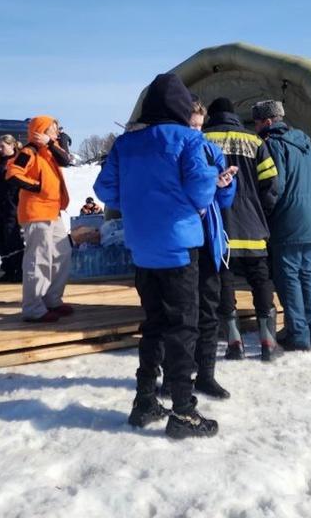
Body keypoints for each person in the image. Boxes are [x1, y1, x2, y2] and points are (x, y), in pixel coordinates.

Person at [93, 73, 219, 438]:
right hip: (178, 250)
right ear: (181, 107)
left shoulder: (125, 144)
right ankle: (183, 412)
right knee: (183, 329)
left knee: (153, 325)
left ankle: (145, 400)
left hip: (142, 248)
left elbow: (106, 191)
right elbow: (200, 191)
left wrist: (139, 203)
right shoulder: (189, 140)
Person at [203, 96, 280, 362]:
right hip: (253, 224)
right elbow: (270, 183)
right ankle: (268, 341)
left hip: (218, 226)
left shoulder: (203, 140)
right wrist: (261, 211)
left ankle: (234, 341)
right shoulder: (255, 141)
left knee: (224, 279)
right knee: (260, 279)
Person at [254, 99, 311, 352]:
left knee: (288, 278)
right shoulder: (306, 143)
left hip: (287, 221)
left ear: (267, 121)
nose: (255, 127)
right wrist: (307, 197)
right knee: (306, 276)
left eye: (256, 122)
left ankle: (298, 335)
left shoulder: (273, 145)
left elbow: (277, 186)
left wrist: (264, 214)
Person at [188, 100, 237, 399]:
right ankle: (176, 375)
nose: (196, 131)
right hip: (183, 239)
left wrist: (226, 183)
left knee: (208, 309)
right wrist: (210, 184)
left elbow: (225, 199)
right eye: (191, 125)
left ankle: (206, 374)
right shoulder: (177, 151)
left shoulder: (210, 149)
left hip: (210, 240)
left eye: (199, 126)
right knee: (182, 311)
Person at [6, 116, 73, 322]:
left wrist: (51, 143)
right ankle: (33, 307)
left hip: (53, 212)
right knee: (39, 259)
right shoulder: (30, 151)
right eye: (53, 129)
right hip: (36, 213)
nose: (58, 132)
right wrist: (36, 186)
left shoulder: (50, 152)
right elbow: (12, 172)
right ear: (42, 130)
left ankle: (52, 299)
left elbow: (66, 160)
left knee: (63, 254)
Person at [0, 134, 25, 283]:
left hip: (13, 203)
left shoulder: (19, 159)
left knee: (12, 236)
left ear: (12, 145)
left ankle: (19, 269)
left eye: (3, 146)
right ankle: (8, 268)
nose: (0, 149)